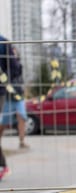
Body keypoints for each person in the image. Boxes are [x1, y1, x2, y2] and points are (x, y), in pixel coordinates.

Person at [0, 35, 23, 181]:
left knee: (22, 118)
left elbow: (16, 68)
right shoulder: (4, 42)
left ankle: (2, 165)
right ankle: (2, 165)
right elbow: (16, 68)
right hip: (2, 90)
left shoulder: (3, 42)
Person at [2, 46, 29, 149]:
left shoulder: (18, 65)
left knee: (22, 117)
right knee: (3, 122)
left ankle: (22, 141)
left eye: (14, 53)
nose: (13, 54)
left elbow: (18, 75)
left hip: (19, 96)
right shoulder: (4, 66)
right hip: (8, 97)